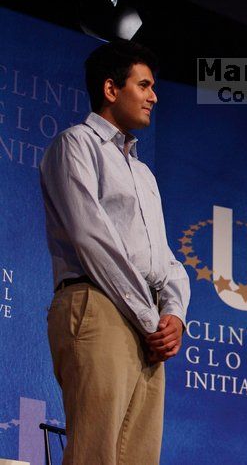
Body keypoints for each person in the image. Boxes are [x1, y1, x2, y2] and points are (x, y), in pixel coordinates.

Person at [40, 40, 190, 464]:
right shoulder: (77, 145)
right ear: (110, 89)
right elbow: (94, 240)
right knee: (96, 451)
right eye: (143, 85)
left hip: (146, 324)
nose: (153, 96)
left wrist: (174, 315)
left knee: (139, 456)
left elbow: (166, 261)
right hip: (99, 305)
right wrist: (149, 319)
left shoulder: (144, 174)